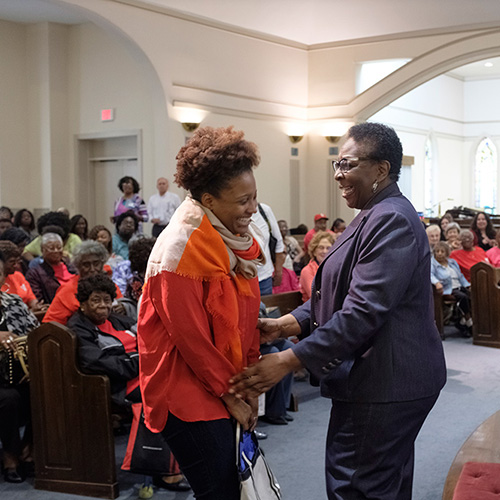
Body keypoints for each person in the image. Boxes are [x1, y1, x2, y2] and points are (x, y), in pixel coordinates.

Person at [230, 122, 446, 500]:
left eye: (347, 164)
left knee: (358, 486)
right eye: (336, 164)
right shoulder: (374, 211)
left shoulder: (390, 218)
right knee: (384, 483)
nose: (338, 175)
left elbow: (363, 311)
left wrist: (288, 361)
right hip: (386, 378)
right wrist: (285, 325)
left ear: (381, 169)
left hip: (385, 382)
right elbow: (337, 293)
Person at [138, 125, 264, 500]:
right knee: (220, 490)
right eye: (243, 201)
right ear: (208, 199)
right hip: (186, 388)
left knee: (231, 485)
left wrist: (250, 383)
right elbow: (191, 339)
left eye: (254, 197)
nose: (252, 209)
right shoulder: (179, 248)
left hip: (225, 382)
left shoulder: (235, 241)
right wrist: (232, 394)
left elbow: (246, 317)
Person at [67, 274, 189, 492]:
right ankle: (163, 469)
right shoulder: (79, 328)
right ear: (83, 303)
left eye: (107, 300)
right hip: (116, 385)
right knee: (166, 395)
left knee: (188, 385)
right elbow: (99, 362)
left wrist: (147, 358)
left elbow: (150, 337)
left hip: (146, 374)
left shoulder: (116, 319)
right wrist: (143, 360)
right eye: (96, 300)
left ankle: (185, 458)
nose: (103, 306)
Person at [0, 250, 39, 483]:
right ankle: (10, 456)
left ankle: (29, 449)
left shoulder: (13, 302)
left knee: (45, 388)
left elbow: (36, 333)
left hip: (19, 372)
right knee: (9, 399)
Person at [43, 241, 123, 325]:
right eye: (86, 265)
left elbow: (121, 305)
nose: (92, 269)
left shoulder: (109, 285)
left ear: (102, 264)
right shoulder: (67, 290)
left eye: (96, 264)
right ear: (78, 266)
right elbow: (51, 324)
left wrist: (123, 307)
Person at [431, 241, 472, 332]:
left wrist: (468, 285)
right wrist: (437, 283)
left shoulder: (452, 262)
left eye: (442, 251)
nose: (440, 254)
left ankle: (462, 322)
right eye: (437, 251)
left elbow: (460, 276)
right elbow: (430, 275)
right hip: (448, 288)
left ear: (447, 253)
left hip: (459, 286)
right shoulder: (433, 264)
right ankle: (468, 320)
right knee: (463, 297)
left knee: (472, 296)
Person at [26, 233, 76, 304]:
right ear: (42, 250)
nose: (56, 251)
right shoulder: (35, 273)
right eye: (51, 248)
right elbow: (39, 300)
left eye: (59, 247)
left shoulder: (72, 266)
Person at [0, 241, 46, 313]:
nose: (16, 266)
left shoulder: (18, 276)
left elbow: (31, 299)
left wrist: (36, 306)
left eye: (17, 261)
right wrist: (29, 312)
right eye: (12, 262)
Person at [252, 202, 285, 295]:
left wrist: (279, 271)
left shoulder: (264, 210)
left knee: (266, 308)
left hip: (264, 278)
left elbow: (278, 242)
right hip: (242, 279)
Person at [299, 231, 334, 302]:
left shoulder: (335, 268)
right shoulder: (307, 271)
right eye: (321, 247)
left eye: (328, 248)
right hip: (314, 310)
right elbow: (316, 297)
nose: (325, 251)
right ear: (314, 251)